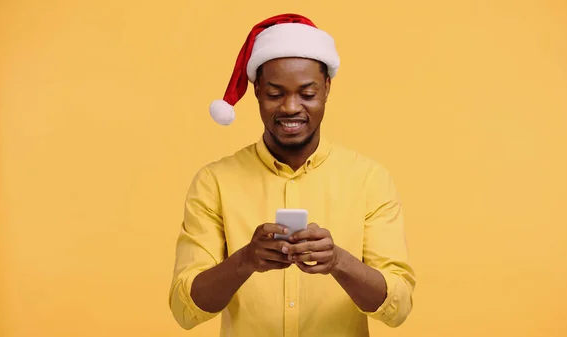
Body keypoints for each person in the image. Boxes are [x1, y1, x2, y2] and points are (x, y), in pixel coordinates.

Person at [169, 13, 416, 337]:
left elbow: (398, 306)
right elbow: (185, 308)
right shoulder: (214, 182)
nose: (290, 107)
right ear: (256, 90)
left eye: (307, 93)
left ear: (327, 88)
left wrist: (339, 262)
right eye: (275, 93)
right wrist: (245, 260)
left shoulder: (369, 179)